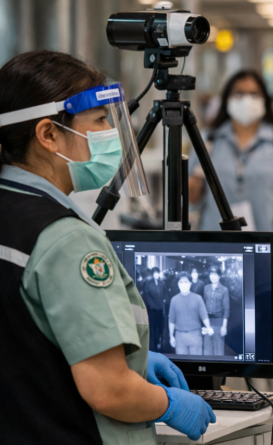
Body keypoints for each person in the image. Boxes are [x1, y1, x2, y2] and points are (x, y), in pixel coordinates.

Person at [0, 50, 214, 443]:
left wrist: (130, 357)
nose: (111, 135)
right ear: (48, 135)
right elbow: (108, 390)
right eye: (99, 121)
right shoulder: (65, 239)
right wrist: (167, 403)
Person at [188, 70, 273, 315]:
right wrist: (197, 172)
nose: (246, 100)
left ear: (265, 98)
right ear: (227, 98)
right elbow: (191, 199)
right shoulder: (208, 139)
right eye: (239, 93)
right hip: (219, 250)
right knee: (226, 320)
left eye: (253, 93)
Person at [169, 273, 213, 355]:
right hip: (179, 336)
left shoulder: (198, 298)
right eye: (181, 282)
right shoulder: (174, 300)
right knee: (182, 365)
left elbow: (204, 315)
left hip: (195, 335)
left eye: (185, 282)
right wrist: (171, 336)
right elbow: (171, 320)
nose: (183, 284)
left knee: (195, 364)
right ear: (178, 284)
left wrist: (208, 327)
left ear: (190, 283)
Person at [202, 266, 230, 356]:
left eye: (215, 274)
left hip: (218, 322)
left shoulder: (224, 290)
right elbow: (203, 305)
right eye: (211, 274)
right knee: (207, 349)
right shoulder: (206, 288)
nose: (213, 276)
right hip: (207, 323)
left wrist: (224, 326)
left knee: (219, 350)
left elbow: (227, 309)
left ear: (219, 276)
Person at [143, 267, 167, 350]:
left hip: (160, 309)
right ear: (153, 274)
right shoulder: (148, 283)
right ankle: (153, 344)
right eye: (155, 273)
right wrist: (153, 305)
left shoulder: (162, 283)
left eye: (157, 273)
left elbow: (165, 294)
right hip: (152, 309)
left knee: (161, 326)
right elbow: (147, 296)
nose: (156, 274)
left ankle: (159, 342)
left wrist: (164, 302)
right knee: (153, 327)